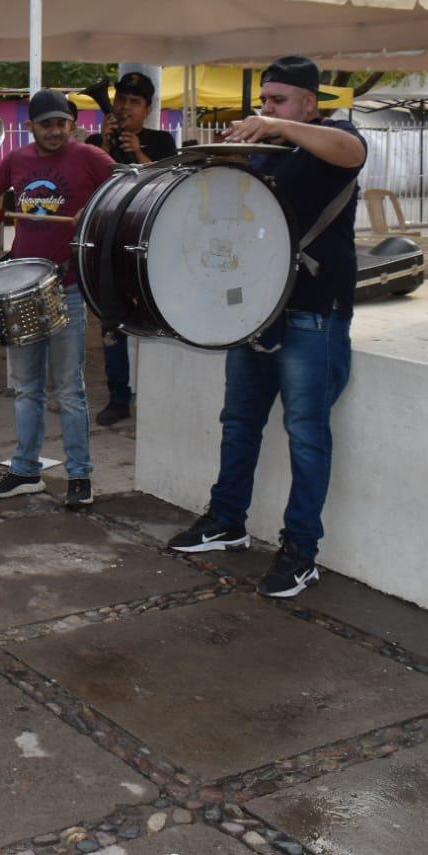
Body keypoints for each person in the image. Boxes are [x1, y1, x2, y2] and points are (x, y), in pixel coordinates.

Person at [167, 56, 366, 599]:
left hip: (313, 312)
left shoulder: (336, 135)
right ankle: (227, 520)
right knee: (239, 420)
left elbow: (355, 154)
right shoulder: (270, 150)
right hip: (258, 309)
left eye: (278, 100)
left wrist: (278, 127)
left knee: (306, 435)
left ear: (308, 102)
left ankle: (301, 551)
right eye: (266, 101)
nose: (267, 109)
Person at [0, 89, 116, 509]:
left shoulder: (89, 158)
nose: (55, 132)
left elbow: (124, 187)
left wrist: (91, 214)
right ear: (32, 125)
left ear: (71, 125)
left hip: (66, 285)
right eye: (46, 124)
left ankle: (80, 476)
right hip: (22, 284)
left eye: (62, 124)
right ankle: (25, 470)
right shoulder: (18, 160)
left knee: (70, 388)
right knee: (27, 386)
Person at [87, 71, 179, 426]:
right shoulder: (97, 140)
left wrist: (138, 151)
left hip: (154, 241)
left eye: (134, 102)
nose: (125, 108)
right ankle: (118, 396)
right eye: (121, 100)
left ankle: (158, 395)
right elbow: (93, 186)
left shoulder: (162, 142)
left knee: (158, 319)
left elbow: (169, 185)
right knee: (112, 320)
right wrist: (106, 148)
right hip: (112, 238)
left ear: (148, 108)